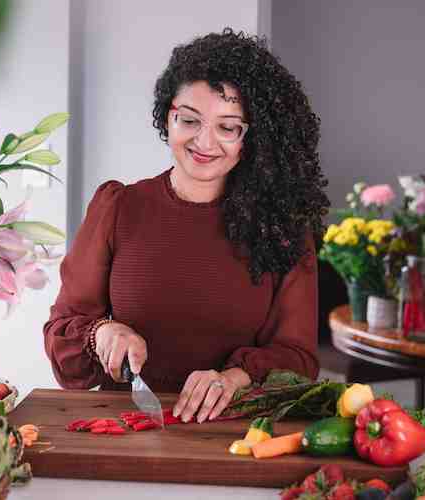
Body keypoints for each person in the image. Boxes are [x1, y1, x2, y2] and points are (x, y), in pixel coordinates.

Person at [43, 28, 330, 424]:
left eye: (228, 127)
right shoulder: (118, 206)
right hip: (124, 429)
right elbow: (62, 337)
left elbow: (298, 359)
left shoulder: (283, 227)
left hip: (234, 436)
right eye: (189, 120)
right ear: (167, 116)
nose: (204, 141)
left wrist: (234, 377)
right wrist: (101, 335)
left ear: (253, 136)